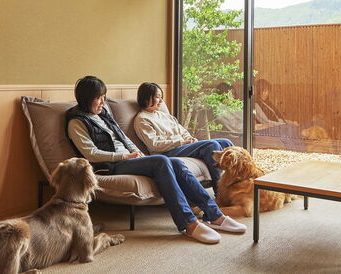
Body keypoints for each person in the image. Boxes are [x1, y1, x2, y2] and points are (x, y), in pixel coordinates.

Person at [66, 76, 246, 244]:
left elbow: (124, 138)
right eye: (99, 98)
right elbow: (90, 153)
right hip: (108, 166)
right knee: (161, 161)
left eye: (104, 97)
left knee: (176, 162)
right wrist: (124, 156)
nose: (103, 102)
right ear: (86, 98)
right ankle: (188, 224)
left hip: (128, 159)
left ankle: (214, 216)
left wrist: (138, 154)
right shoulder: (77, 122)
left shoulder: (103, 113)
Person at [134, 82, 233, 194]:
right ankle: (221, 193)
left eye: (161, 97)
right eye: (157, 97)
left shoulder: (164, 115)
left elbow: (182, 130)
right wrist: (181, 142)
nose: (161, 101)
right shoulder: (142, 119)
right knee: (212, 146)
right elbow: (154, 144)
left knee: (226, 142)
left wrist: (190, 139)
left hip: (181, 147)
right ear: (146, 97)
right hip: (166, 152)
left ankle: (237, 186)